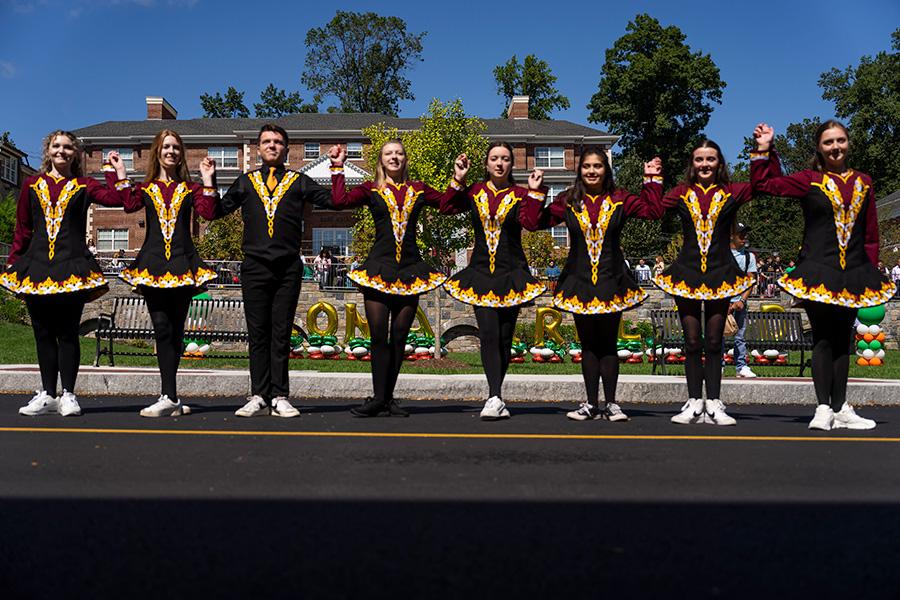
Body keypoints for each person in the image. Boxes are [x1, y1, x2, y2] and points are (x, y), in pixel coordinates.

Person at [751, 121, 895, 430]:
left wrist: (869, 269)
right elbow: (767, 185)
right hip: (817, 271)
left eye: (840, 140)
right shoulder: (809, 180)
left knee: (844, 341)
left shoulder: (864, 182)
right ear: (819, 147)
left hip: (854, 273)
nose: (836, 147)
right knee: (823, 339)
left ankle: (842, 406)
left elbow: (870, 233)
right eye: (829, 142)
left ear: (848, 143)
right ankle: (822, 407)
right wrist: (765, 149)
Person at [327, 140, 469, 417]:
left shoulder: (418, 189)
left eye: (399, 153)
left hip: (410, 272)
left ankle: (386, 398)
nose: (394, 157)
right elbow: (338, 202)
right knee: (379, 337)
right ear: (381, 160)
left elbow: (447, 206)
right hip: (378, 270)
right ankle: (379, 398)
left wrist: (457, 178)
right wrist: (337, 167)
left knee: (400, 337)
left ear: (406, 159)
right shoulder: (371, 189)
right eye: (389, 153)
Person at [1, 130, 130, 416]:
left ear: (75, 153)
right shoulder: (32, 185)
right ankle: (47, 393)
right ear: (48, 151)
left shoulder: (83, 185)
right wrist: (14, 261)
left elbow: (120, 200)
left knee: (68, 332)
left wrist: (116, 171)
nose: (61, 151)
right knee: (43, 333)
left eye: (68, 147)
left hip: (71, 267)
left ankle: (69, 394)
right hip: (36, 267)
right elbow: (22, 228)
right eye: (56, 146)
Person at [539, 147, 663, 422]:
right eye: (587, 166)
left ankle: (612, 404)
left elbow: (653, 212)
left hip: (610, 280)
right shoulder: (568, 200)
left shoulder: (619, 199)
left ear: (606, 169)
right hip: (579, 282)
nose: (592, 171)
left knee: (607, 344)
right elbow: (535, 221)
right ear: (579, 170)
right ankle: (590, 403)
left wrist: (651, 180)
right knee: (588, 345)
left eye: (597, 166)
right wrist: (536, 191)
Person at [218, 124, 333, 418]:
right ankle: (258, 395)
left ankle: (280, 395)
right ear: (258, 148)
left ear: (287, 149)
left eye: (278, 142)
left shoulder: (299, 181)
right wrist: (208, 181)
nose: (272, 146)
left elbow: (333, 201)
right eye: (267, 141)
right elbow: (214, 211)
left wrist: (338, 169)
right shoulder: (245, 182)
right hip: (254, 267)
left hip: (287, 268)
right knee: (258, 333)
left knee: (281, 332)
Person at [439, 141, 547, 420]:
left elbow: (532, 223)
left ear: (512, 164)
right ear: (486, 164)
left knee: (503, 337)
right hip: (481, 274)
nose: (499, 163)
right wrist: (458, 178)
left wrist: (535, 192)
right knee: (487, 333)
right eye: (494, 159)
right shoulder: (474, 191)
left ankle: (497, 395)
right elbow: (447, 208)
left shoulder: (521, 193)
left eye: (505, 159)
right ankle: (494, 396)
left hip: (512, 274)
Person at [654, 140, 756, 426]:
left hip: (719, 275)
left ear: (719, 163)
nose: (705, 165)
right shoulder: (681, 193)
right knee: (691, 340)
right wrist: (653, 178)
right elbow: (653, 208)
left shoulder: (731, 192)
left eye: (710, 159)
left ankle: (713, 402)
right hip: (686, 274)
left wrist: (761, 152)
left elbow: (761, 185)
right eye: (699, 159)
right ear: (692, 164)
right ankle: (693, 401)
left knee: (713, 341)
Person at [117, 129, 219, 417]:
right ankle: (168, 395)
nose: (171, 151)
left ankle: (170, 396)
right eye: (166, 147)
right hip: (152, 265)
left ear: (181, 153)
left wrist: (208, 179)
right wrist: (122, 172)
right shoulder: (146, 188)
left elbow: (209, 212)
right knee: (161, 328)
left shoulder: (190, 189)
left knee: (176, 330)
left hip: (182, 264)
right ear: (157, 152)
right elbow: (128, 204)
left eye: (175, 147)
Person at [729, 223, 758, 378]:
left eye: (745, 235)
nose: (744, 238)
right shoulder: (721, 255)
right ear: (731, 236)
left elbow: (750, 281)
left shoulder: (749, 257)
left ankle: (741, 366)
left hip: (739, 303)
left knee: (740, 336)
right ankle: (717, 365)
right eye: (741, 235)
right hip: (723, 301)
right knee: (717, 335)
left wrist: (741, 300)